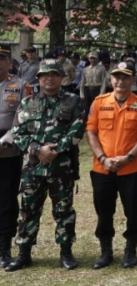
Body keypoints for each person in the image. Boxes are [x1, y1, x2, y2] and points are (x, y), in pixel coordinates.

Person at [4, 59, 84, 272]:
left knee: (63, 210)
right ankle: (24, 254)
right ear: (39, 78)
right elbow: (17, 133)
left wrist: (55, 150)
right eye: (45, 75)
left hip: (62, 166)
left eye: (54, 74)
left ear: (61, 77)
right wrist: (38, 150)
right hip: (33, 167)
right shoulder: (26, 103)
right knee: (28, 210)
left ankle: (66, 252)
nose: (49, 78)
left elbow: (77, 130)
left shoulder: (74, 101)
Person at [85, 62, 137, 269]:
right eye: (117, 77)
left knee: (133, 210)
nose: (121, 81)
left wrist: (128, 158)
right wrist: (103, 158)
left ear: (133, 80)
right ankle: (106, 251)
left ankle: (130, 250)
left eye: (125, 77)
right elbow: (91, 133)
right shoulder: (99, 102)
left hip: (130, 168)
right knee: (104, 211)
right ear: (111, 79)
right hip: (102, 168)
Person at [0, 45, 28, 268]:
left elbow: (24, 118)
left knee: (6, 200)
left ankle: (4, 248)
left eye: (2, 59)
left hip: (8, 151)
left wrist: (4, 142)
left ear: (10, 62)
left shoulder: (20, 86)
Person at [80, 52, 107, 117]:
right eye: (91, 58)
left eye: (94, 58)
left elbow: (104, 82)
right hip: (87, 90)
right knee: (86, 109)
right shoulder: (85, 69)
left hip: (96, 90)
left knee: (96, 108)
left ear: (97, 59)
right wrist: (81, 93)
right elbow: (82, 82)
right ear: (88, 59)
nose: (92, 60)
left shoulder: (101, 69)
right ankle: (86, 122)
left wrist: (101, 93)